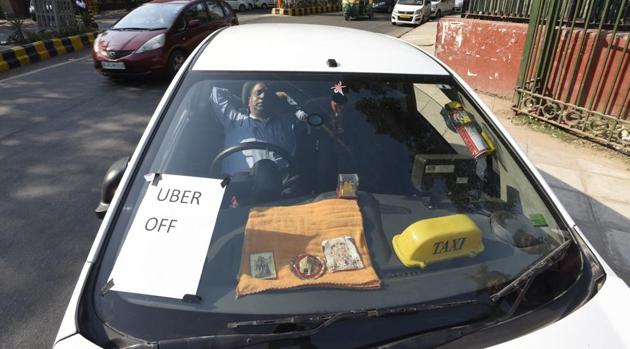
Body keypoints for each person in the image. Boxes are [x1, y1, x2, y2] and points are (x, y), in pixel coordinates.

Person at [210, 81, 308, 175]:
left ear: (275, 101)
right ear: (249, 100)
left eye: (268, 95)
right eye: (258, 93)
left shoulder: (286, 122)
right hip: (235, 187)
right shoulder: (234, 120)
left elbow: (307, 110)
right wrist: (240, 101)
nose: (263, 96)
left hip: (280, 188)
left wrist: (285, 96)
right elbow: (216, 92)